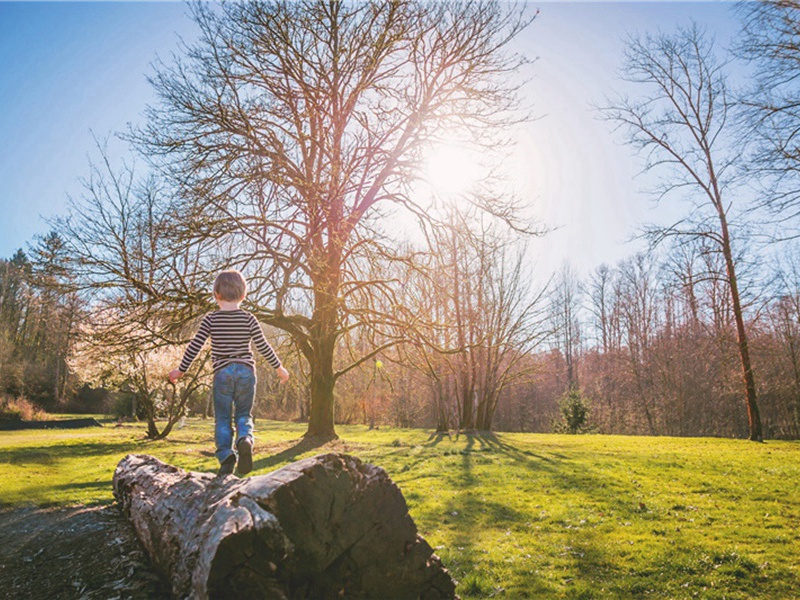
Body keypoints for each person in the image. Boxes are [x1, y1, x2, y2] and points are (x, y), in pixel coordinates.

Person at [169, 270, 289, 476]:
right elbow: (263, 345)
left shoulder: (210, 319)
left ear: (216, 294)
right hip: (246, 372)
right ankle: (245, 440)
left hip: (222, 373)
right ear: (243, 295)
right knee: (243, 414)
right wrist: (279, 368)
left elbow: (195, 346)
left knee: (223, 419)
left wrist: (181, 370)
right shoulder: (249, 319)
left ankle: (226, 456)